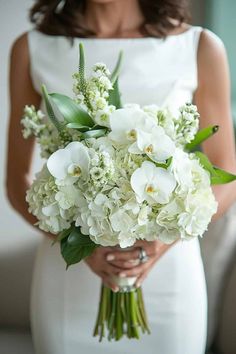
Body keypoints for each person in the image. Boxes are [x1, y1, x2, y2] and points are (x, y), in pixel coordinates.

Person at [6, 0, 236, 353]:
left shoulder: (198, 45)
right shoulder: (32, 47)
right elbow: (16, 179)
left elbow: (228, 173)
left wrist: (162, 242)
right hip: (68, 277)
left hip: (169, 276)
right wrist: (79, 245)